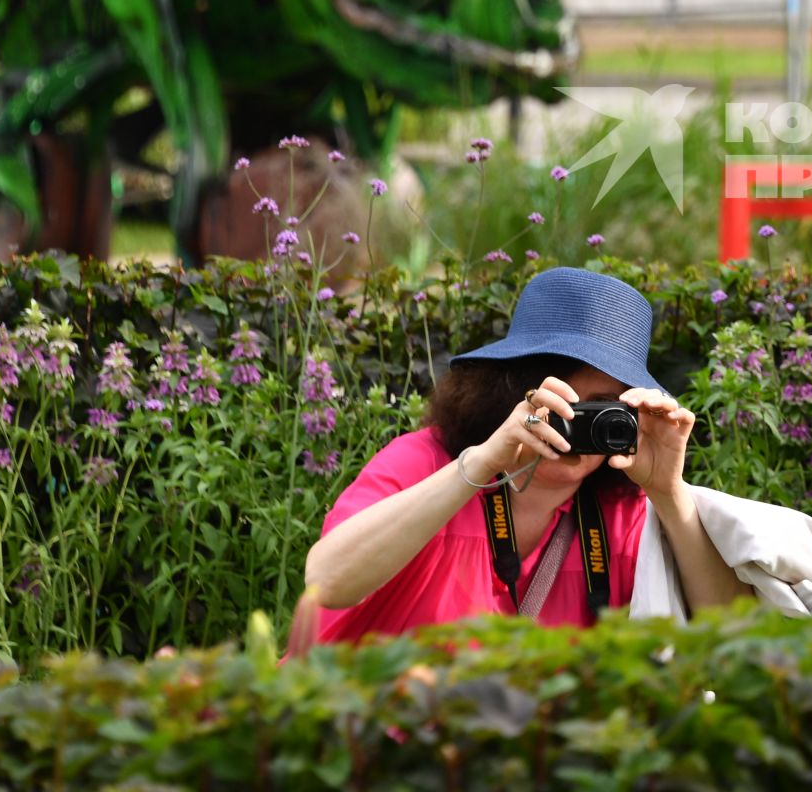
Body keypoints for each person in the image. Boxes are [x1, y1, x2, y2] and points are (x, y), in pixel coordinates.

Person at [302, 266, 752, 644]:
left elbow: (730, 638)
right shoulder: (424, 462)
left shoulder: (623, 514)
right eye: (567, 402)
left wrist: (670, 494)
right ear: (512, 391)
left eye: (605, 412)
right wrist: (480, 465)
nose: (578, 425)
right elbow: (325, 583)